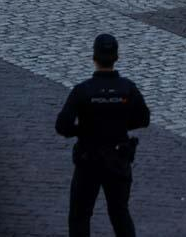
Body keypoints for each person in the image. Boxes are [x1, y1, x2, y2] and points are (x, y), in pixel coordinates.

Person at [56, 34, 150, 237]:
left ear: (94, 57)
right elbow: (144, 118)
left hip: (88, 159)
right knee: (120, 213)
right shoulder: (128, 88)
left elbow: (62, 125)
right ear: (116, 57)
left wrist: (83, 130)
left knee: (80, 216)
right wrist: (120, 124)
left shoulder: (83, 90)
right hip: (118, 159)